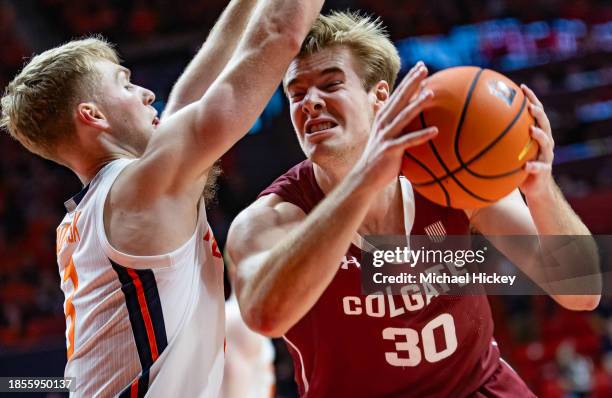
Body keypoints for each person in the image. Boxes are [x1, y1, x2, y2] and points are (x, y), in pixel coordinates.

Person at [226, 11, 601, 397]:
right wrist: (364, 181)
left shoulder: (449, 174)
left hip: (478, 388)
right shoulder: (271, 219)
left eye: (331, 84)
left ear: (380, 97)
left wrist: (539, 186)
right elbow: (265, 315)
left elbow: (582, 291)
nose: (311, 102)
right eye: (297, 93)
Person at [0, 0, 323, 396]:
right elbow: (278, 36)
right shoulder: (141, 191)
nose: (148, 94)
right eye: (125, 84)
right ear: (93, 115)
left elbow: (193, 91)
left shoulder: (104, 203)